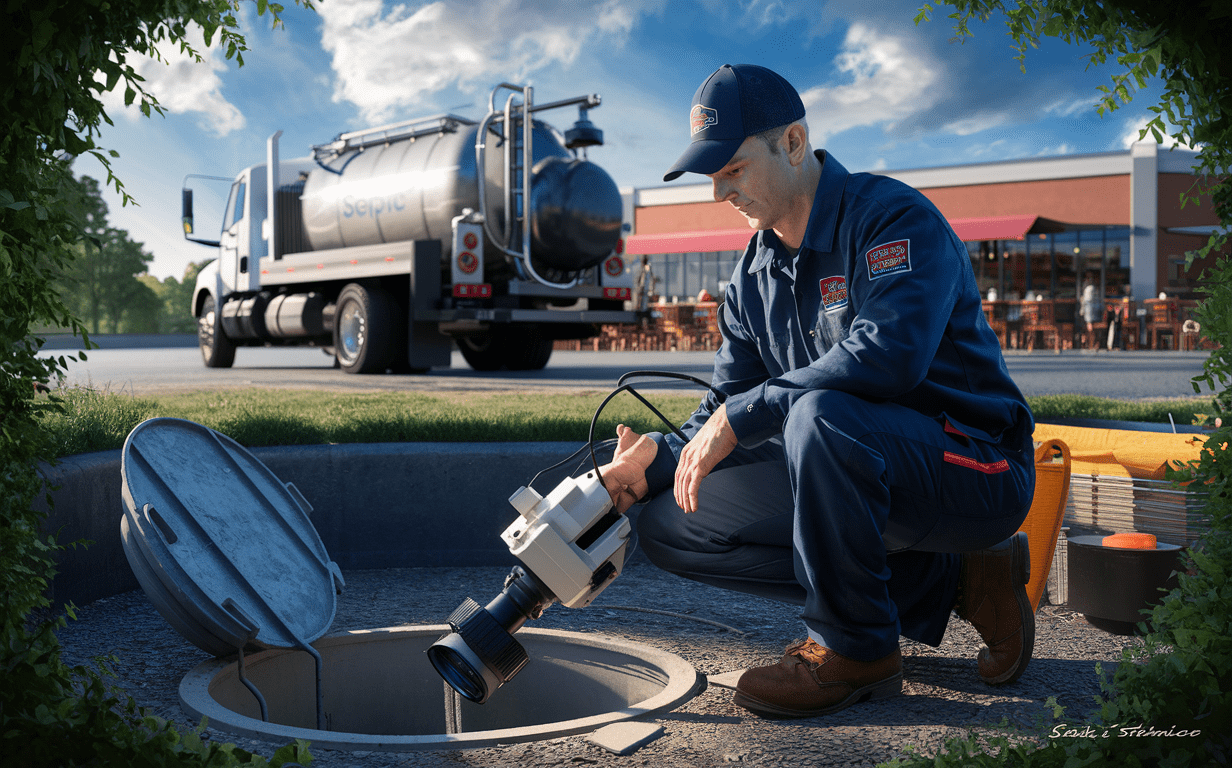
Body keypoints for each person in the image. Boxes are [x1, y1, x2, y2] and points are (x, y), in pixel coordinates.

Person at [600, 64, 1037, 719]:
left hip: (975, 464)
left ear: (794, 143)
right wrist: (656, 459)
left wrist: (745, 415)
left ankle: (854, 650)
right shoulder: (752, 278)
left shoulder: (891, 218)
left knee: (819, 416)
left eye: (734, 169)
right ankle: (961, 583)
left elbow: (888, 359)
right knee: (670, 520)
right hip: (850, 460)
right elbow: (725, 407)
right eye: (710, 176)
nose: (720, 192)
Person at [1081, 283, 1103, 351]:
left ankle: (1091, 345)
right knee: (1090, 331)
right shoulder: (1089, 301)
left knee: (1091, 331)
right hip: (1092, 320)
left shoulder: (1090, 300)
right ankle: (1090, 345)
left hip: (1093, 320)